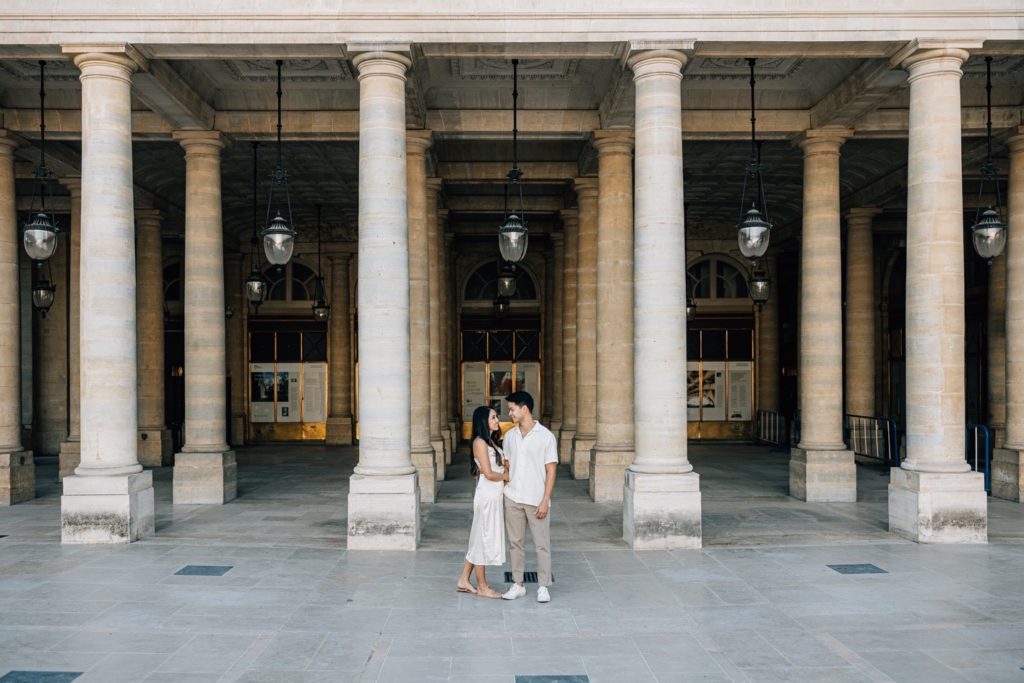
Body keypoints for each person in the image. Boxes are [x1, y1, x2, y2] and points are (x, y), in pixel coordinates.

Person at [501, 390, 557, 603]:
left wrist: (545, 500)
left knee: (542, 545)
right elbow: (507, 464)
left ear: (524, 409)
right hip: (513, 497)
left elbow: (551, 470)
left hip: (536, 500)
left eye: (512, 409)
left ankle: (543, 586)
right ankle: (518, 584)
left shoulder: (546, 437)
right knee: (516, 543)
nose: (510, 413)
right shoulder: (510, 436)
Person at [456, 406, 509, 599]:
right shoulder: (479, 442)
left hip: (494, 496)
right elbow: (488, 473)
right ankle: (482, 586)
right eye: (493, 417)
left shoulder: (491, 442)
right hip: (487, 496)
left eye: (496, 416)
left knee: (480, 537)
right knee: (483, 540)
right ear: (483, 421)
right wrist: (506, 475)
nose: (497, 420)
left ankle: (463, 580)